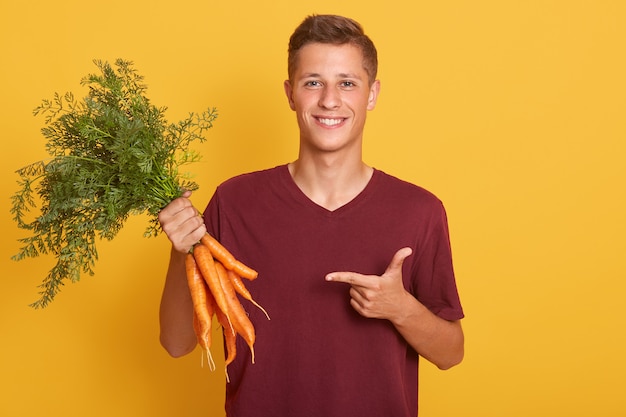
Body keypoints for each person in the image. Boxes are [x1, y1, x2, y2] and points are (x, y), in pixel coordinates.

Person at [158, 14, 464, 417]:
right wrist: (182, 251)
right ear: (290, 93)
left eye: (347, 83)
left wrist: (400, 308)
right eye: (313, 82)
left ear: (372, 94)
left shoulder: (419, 210)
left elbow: (451, 353)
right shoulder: (234, 202)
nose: (330, 100)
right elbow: (177, 343)